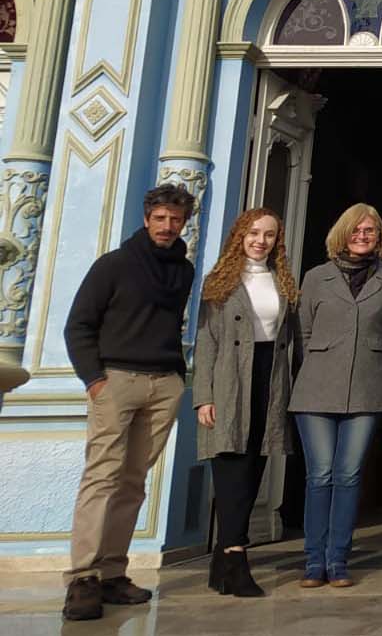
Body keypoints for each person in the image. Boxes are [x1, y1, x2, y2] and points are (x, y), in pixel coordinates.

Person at [61, 184, 198, 622]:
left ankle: (113, 573)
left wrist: (178, 378)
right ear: (146, 219)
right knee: (102, 478)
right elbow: (79, 325)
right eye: (159, 218)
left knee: (134, 481)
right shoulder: (114, 265)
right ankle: (82, 578)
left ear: (184, 223)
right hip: (116, 380)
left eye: (175, 219)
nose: (167, 226)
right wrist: (95, 381)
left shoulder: (184, 270)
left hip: (164, 385)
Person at [287, 204, 382, 589]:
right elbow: (302, 334)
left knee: (349, 474)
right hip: (316, 389)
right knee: (319, 475)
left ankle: (338, 560)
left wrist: (367, 358)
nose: (363, 235)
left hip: (368, 389)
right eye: (356, 229)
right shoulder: (316, 277)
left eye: (370, 230)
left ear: (379, 236)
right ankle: (313, 561)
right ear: (342, 233)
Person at [194, 208, 299, 598]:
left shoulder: (283, 281)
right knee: (231, 467)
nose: (261, 241)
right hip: (229, 380)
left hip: (270, 378)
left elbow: (291, 339)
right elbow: (207, 341)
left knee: (256, 464)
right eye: (254, 233)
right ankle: (236, 559)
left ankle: (223, 559)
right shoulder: (220, 281)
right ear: (240, 235)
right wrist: (203, 396)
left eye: (269, 235)